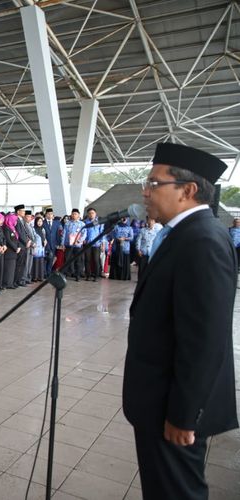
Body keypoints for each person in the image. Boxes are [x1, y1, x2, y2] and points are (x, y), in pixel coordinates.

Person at [123, 142, 238, 500]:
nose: (146, 190)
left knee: (177, 493)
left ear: (187, 190)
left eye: (155, 183)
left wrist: (184, 415)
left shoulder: (202, 240)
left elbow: (204, 340)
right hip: (159, 399)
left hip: (173, 409)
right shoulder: (181, 234)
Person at [62, 209, 86, 281]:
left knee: (78, 260)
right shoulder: (67, 223)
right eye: (73, 214)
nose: (74, 215)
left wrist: (79, 241)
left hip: (77, 245)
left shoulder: (82, 224)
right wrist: (62, 243)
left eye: (75, 214)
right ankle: (66, 274)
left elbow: (84, 234)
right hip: (68, 245)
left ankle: (77, 275)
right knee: (67, 259)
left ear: (78, 215)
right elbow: (64, 234)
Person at [83, 207, 104, 281]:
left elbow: (102, 233)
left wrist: (102, 244)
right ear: (87, 214)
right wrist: (84, 240)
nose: (91, 214)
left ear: (95, 214)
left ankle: (96, 276)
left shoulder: (100, 222)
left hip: (97, 244)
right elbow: (83, 232)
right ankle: (88, 275)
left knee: (96, 260)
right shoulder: (85, 222)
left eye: (92, 213)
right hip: (88, 244)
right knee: (87, 260)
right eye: (89, 213)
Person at [2, 213, 20, 289]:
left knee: (12, 268)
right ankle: (7, 283)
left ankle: (10, 283)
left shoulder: (13, 228)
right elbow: (8, 240)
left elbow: (16, 239)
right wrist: (15, 248)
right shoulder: (6, 228)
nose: (16, 222)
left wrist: (18, 247)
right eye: (15, 220)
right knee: (8, 269)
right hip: (9, 251)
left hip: (14, 252)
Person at [42, 208, 60, 277]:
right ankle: (44, 273)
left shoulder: (56, 223)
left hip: (54, 244)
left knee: (51, 259)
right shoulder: (43, 222)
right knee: (45, 259)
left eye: (51, 214)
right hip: (45, 244)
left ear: (53, 215)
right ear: (46, 215)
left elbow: (57, 234)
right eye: (48, 214)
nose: (50, 215)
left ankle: (48, 273)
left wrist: (58, 243)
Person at [30, 216, 46, 282]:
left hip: (42, 248)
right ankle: (35, 277)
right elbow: (32, 237)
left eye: (41, 221)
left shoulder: (43, 229)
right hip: (36, 248)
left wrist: (45, 241)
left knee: (41, 262)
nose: (39, 223)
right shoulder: (33, 229)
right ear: (36, 222)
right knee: (36, 262)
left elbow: (44, 237)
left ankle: (41, 277)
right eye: (38, 221)